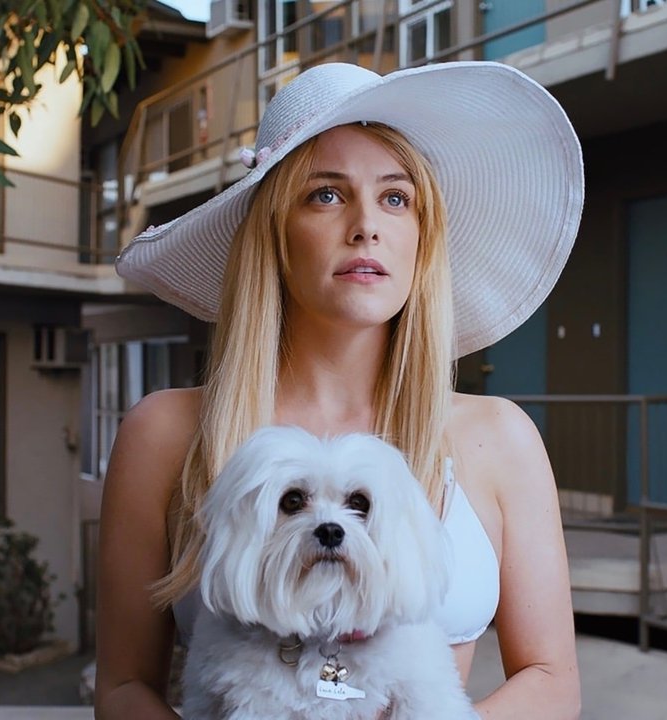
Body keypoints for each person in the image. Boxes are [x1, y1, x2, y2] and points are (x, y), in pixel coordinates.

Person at [96, 61, 585, 719]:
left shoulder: (499, 439)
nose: (366, 225)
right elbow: (124, 689)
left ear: (422, 236)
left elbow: (553, 680)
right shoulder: (166, 433)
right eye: (325, 194)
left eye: (395, 197)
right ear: (272, 232)